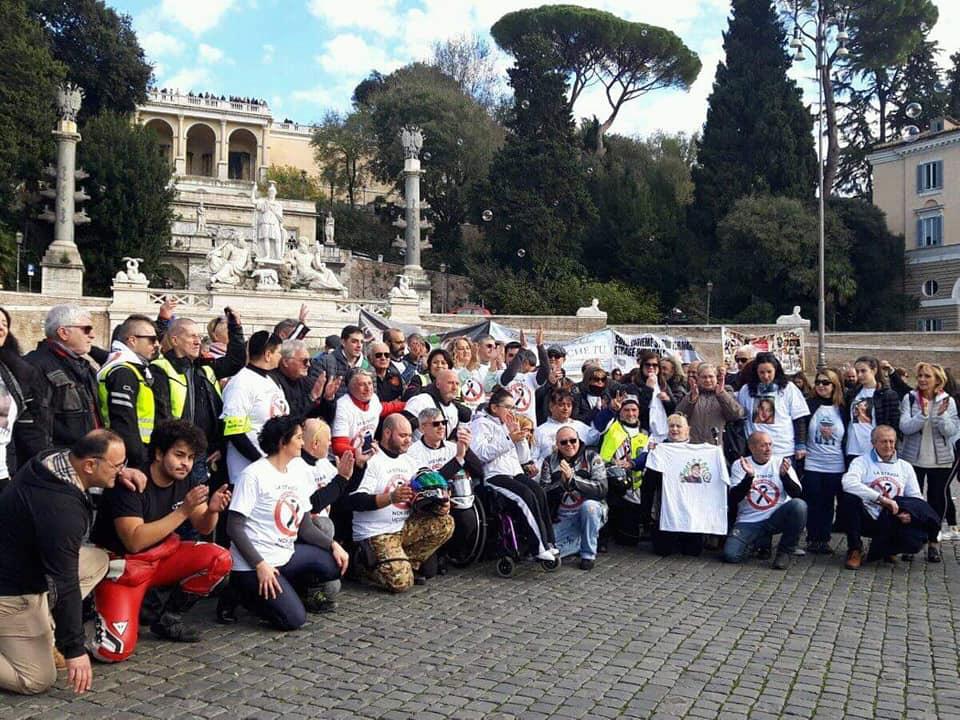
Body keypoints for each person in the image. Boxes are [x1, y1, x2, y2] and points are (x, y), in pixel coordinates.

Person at [89, 421, 232, 661]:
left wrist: (213, 511)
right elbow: (134, 541)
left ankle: (169, 618)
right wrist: (183, 511)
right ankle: (92, 610)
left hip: (160, 559)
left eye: (190, 457)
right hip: (123, 569)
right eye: (178, 455)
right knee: (112, 652)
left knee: (220, 559)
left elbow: (203, 526)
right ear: (158, 453)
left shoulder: (185, 479)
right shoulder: (131, 483)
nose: (185, 463)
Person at [0, 430, 119, 695]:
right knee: (37, 679)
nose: (120, 472)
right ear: (89, 465)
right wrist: (74, 649)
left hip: (29, 565)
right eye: (117, 466)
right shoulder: (60, 511)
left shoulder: (53, 461)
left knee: (98, 560)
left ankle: (45, 621)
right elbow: (63, 581)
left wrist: (123, 473)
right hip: (11, 593)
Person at [227, 416, 347, 629]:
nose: (303, 443)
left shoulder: (297, 472)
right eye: (299, 438)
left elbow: (306, 527)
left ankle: (282, 588)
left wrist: (333, 545)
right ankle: (242, 593)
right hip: (255, 564)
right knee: (294, 620)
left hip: (285, 554)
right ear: (283, 442)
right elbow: (234, 527)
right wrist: (260, 564)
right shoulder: (254, 474)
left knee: (333, 565)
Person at [348, 414, 454, 592]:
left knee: (446, 522)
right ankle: (363, 565)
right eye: (403, 436)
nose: (408, 441)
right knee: (401, 583)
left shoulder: (409, 460)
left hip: (403, 526)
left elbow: (423, 493)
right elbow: (355, 501)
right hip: (376, 532)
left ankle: (404, 562)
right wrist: (390, 497)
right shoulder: (372, 460)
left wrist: (441, 503)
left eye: (410, 436)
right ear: (388, 433)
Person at [151, 311, 246, 489]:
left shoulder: (204, 368)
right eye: (192, 336)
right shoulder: (161, 369)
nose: (198, 341)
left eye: (200, 337)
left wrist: (235, 327)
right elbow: (162, 416)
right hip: (179, 452)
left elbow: (236, 361)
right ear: (174, 340)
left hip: (208, 452)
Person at [470, 388, 559, 561]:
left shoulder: (507, 425)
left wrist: (520, 439)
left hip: (514, 471)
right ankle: (537, 548)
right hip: (495, 475)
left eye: (514, 408)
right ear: (495, 408)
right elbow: (480, 454)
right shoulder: (480, 424)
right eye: (508, 407)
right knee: (524, 496)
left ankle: (549, 542)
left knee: (539, 493)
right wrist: (509, 439)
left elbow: (523, 458)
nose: (512, 412)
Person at [839, 425, 940, 569]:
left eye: (891, 441)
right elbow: (848, 483)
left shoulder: (905, 466)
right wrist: (881, 499)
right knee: (849, 499)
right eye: (883, 441)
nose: (888, 446)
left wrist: (910, 513)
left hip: (893, 517)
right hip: (867, 516)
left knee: (915, 540)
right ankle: (855, 549)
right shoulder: (861, 462)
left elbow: (916, 497)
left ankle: (890, 549)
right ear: (873, 443)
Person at [644, 415, 730, 557]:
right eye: (671, 426)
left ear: (688, 429)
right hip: (667, 513)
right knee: (662, 551)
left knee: (692, 552)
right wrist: (653, 456)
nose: (675, 429)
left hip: (693, 515)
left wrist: (717, 455)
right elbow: (649, 485)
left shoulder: (702, 452)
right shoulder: (660, 450)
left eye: (679, 426)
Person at [898, 362, 959, 562]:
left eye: (928, 376)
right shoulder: (910, 398)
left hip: (939, 460)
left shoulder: (947, 401)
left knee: (936, 500)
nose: (923, 380)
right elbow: (905, 427)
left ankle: (933, 541)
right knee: (912, 501)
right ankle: (911, 541)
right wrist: (922, 415)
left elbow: (950, 432)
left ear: (938, 380)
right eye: (921, 376)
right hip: (912, 458)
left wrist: (941, 417)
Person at [723, 432, 806, 569]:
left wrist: (784, 477)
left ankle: (784, 552)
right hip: (749, 520)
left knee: (799, 506)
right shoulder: (741, 464)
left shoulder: (781, 462)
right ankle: (758, 542)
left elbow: (797, 493)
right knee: (731, 555)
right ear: (752, 447)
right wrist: (749, 477)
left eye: (770, 445)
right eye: (763, 445)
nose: (768, 449)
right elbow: (734, 498)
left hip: (775, 517)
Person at [27, 304, 102, 449]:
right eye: (86, 329)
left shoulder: (86, 367)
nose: (92, 335)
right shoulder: (35, 366)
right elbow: (33, 425)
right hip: (59, 461)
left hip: (87, 457)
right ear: (63, 333)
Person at [221, 331, 290, 483]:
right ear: (267, 354)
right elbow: (234, 431)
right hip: (247, 469)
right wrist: (262, 462)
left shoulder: (271, 380)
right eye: (278, 352)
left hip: (275, 465)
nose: (281, 357)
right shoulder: (241, 383)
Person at [97, 314, 163, 469]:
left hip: (133, 450)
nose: (156, 344)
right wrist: (140, 460)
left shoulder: (134, 369)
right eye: (151, 339)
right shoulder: (123, 371)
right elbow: (124, 422)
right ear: (132, 340)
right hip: (127, 456)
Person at [539, 426, 608, 570]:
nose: (569, 444)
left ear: (579, 439)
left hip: (590, 512)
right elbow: (543, 492)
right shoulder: (549, 461)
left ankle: (588, 555)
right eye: (564, 442)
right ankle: (582, 541)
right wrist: (562, 483)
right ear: (557, 445)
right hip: (563, 516)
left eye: (573, 440)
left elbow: (601, 489)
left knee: (589, 507)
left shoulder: (592, 457)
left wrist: (573, 480)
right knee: (545, 551)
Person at [0, 308, 48, 486]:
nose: (1, 328)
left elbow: (27, 425)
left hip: (4, 472)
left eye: (5, 324)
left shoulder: (12, 372)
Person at [595, 395, 650, 544]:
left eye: (634, 410)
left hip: (634, 486)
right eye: (626, 410)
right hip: (610, 481)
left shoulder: (645, 433)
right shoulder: (612, 426)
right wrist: (610, 409)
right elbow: (598, 424)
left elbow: (646, 455)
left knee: (628, 540)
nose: (630, 414)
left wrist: (632, 464)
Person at [803, 369, 847, 554]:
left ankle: (824, 538)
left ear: (835, 386)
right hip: (812, 462)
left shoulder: (843, 408)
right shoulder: (809, 405)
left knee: (828, 503)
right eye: (818, 382)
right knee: (812, 501)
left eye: (826, 383)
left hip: (835, 463)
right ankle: (812, 537)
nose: (821, 386)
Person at [736, 352, 809, 461]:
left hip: (783, 450)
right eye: (761, 372)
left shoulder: (789, 388)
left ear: (776, 370)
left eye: (769, 372)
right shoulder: (746, 390)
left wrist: (800, 444)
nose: (765, 376)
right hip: (756, 452)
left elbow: (799, 418)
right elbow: (741, 417)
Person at [330, 369, 405, 457]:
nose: (368, 388)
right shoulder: (343, 407)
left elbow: (385, 408)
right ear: (351, 387)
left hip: (366, 454)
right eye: (362, 384)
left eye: (369, 383)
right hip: (343, 459)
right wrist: (361, 454)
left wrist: (409, 404)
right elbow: (338, 445)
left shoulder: (373, 399)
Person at [844, 356, 900, 464]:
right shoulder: (852, 393)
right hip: (852, 448)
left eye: (863, 371)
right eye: (857, 371)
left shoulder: (887, 394)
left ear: (874, 370)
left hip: (874, 448)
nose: (859, 375)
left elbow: (893, 423)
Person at [676, 363, 744, 446]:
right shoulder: (692, 393)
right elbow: (679, 416)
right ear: (698, 378)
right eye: (704, 377)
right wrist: (691, 400)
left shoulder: (726, 391)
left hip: (716, 445)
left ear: (716, 378)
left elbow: (736, 414)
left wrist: (722, 395)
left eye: (711, 376)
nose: (707, 380)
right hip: (694, 445)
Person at [532, 389, 601, 465]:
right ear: (551, 406)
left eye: (569, 405)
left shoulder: (579, 426)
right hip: (548, 473)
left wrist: (608, 412)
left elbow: (598, 436)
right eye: (561, 405)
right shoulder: (539, 431)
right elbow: (533, 459)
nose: (566, 408)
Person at [403, 368, 468, 441]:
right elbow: (402, 431)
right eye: (450, 383)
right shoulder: (421, 401)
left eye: (457, 384)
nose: (455, 388)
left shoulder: (454, 410)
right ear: (438, 384)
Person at [318, 325, 367, 395]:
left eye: (361, 342)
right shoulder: (324, 362)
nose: (359, 345)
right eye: (354, 341)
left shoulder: (368, 367)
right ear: (343, 342)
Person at [534, 345, 569, 426]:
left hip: (562, 425)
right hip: (541, 424)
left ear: (564, 359)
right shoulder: (535, 376)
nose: (552, 359)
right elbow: (533, 397)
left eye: (557, 356)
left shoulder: (569, 383)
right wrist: (549, 383)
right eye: (549, 355)